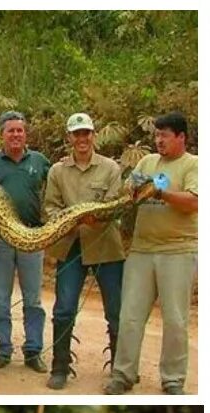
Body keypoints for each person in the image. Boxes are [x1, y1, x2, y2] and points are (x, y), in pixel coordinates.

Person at [105, 112, 198, 396]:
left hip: (177, 250)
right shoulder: (146, 162)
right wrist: (133, 188)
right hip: (142, 249)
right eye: (156, 135)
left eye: (164, 136)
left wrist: (161, 192)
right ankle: (123, 374)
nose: (158, 141)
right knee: (130, 314)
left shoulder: (194, 165)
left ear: (181, 137)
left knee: (175, 319)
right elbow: (127, 194)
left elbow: (194, 202)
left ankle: (172, 379)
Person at [42, 112, 126, 390]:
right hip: (70, 246)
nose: (81, 138)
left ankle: (120, 369)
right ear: (69, 137)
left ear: (94, 135)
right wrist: (68, 219)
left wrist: (96, 217)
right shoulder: (57, 171)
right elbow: (50, 207)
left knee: (116, 310)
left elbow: (116, 205)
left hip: (106, 247)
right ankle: (60, 367)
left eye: (86, 133)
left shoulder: (111, 168)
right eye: (76, 133)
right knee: (64, 308)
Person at [0, 111, 52, 373]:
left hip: (32, 237)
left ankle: (33, 350)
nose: (15, 135)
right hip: (0, 239)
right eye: (10, 131)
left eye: (20, 131)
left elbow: (56, 186)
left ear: (26, 134)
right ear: (2, 135)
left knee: (33, 298)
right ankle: (3, 349)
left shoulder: (40, 161)